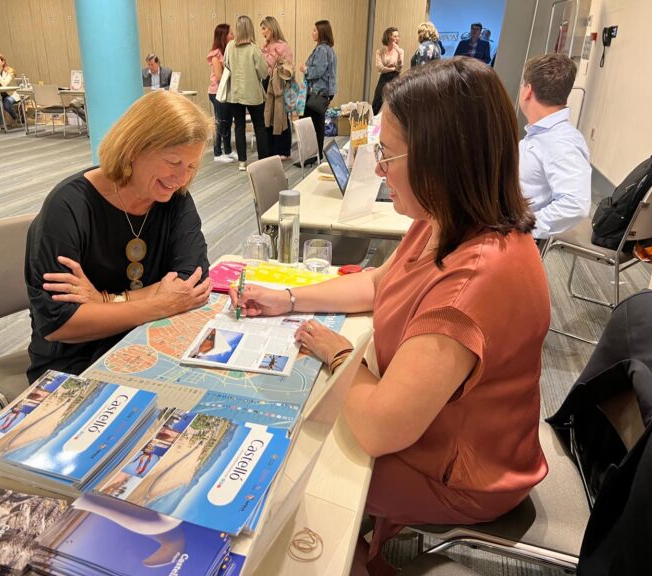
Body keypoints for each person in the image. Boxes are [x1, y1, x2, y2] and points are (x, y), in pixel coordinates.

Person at [231, 57, 549, 576]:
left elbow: (380, 428)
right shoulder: (446, 219)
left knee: (294, 468)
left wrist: (336, 352)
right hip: (435, 434)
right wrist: (290, 298)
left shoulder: (477, 277)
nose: (377, 169)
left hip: (463, 474)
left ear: (440, 160)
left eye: (386, 153)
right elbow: (383, 284)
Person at [25, 90, 213, 382]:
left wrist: (104, 302)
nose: (182, 178)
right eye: (173, 162)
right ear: (134, 149)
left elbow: (192, 283)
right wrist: (158, 303)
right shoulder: (68, 207)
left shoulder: (175, 199)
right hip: (75, 363)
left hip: (146, 342)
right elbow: (59, 322)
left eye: (191, 166)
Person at [518, 53, 591, 244]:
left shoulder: (561, 141)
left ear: (527, 91)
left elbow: (575, 204)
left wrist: (522, 228)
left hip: (518, 235)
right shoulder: (543, 134)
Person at [220, 15, 270, 171]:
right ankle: (263, 159)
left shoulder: (229, 46)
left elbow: (226, 64)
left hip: (234, 94)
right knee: (259, 126)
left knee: (239, 126)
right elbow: (263, 73)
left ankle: (242, 161)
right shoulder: (254, 49)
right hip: (253, 94)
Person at [299, 19, 337, 165]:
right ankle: (316, 155)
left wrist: (305, 70)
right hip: (322, 92)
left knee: (310, 124)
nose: (312, 32)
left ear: (321, 32)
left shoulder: (322, 49)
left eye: (315, 30)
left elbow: (318, 71)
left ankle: (312, 156)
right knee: (317, 124)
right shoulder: (329, 49)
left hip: (317, 92)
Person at [260, 16, 294, 160]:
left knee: (281, 116)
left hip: (279, 85)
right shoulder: (264, 47)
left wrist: (279, 63)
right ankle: (270, 149)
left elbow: (289, 67)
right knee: (268, 116)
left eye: (264, 28)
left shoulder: (283, 46)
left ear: (272, 28)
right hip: (266, 83)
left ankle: (283, 150)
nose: (262, 32)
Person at [207, 23, 236, 163]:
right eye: (231, 33)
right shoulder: (216, 55)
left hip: (226, 92)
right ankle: (217, 153)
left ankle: (228, 150)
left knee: (228, 121)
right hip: (217, 92)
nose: (233, 36)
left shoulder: (227, 52)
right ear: (224, 36)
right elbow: (219, 77)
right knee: (220, 122)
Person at [372, 27, 404, 116]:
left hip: (396, 78)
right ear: (389, 37)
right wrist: (393, 69)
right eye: (395, 36)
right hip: (384, 78)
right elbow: (379, 68)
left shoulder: (400, 51)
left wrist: (398, 54)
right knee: (378, 101)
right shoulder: (380, 51)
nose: (397, 38)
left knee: (394, 102)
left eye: (398, 36)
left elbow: (399, 68)